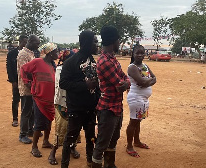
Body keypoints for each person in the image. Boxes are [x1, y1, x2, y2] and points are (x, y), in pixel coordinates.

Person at [92, 26, 131, 168]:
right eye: (118, 40)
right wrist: (125, 83)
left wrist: (125, 82)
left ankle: (110, 165)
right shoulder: (105, 61)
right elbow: (120, 83)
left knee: (113, 140)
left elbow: (124, 79)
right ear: (113, 41)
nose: (119, 42)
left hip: (116, 106)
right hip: (107, 108)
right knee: (102, 143)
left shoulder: (112, 59)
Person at [59, 30, 100, 168]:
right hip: (76, 109)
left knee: (90, 138)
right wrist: (85, 85)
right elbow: (63, 83)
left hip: (90, 108)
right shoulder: (71, 62)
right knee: (70, 139)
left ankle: (90, 161)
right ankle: (64, 165)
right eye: (95, 41)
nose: (97, 44)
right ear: (87, 43)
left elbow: (96, 83)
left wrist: (97, 101)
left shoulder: (93, 60)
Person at [20, 42, 58, 158]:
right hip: (39, 99)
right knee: (39, 123)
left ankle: (45, 141)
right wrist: (27, 82)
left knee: (48, 121)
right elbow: (23, 69)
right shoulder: (37, 62)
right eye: (56, 51)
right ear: (50, 53)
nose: (58, 54)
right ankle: (34, 147)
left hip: (50, 100)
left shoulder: (53, 65)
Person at [48, 49, 81, 165]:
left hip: (73, 103)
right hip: (62, 103)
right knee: (61, 128)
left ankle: (72, 147)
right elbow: (63, 86)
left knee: (74, 127)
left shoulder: (75, 69)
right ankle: (53, 152)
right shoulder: (60, 70)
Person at [126, 45, 156, 158]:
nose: (140, 55)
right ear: (133, 54)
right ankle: (129, 146)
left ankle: (137, 141)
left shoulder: (145, 65)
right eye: (137, 53)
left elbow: (155, 78)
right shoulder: (132, 67)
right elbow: (141, 82)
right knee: (133, 122)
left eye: (142, 53)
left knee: (138, 121)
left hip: (143, 99)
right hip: (135, 98)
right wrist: (148, 81)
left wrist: (146, 81)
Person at [17, 35, 40, 144]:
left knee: (32, 111)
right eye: (36, 43)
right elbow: (25, 72)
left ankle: (30, 130)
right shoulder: (23, 54)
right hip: (26, 88)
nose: (38, 45)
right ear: (30, 42)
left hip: (33, 87)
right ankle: (23, 134)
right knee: (26, 111)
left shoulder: (31, 53)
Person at [6, 35, 28, 127]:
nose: (25, 44)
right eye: (24, 42)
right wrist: (13, 81)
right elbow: (9, 68)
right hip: (16, 81)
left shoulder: (29, 54)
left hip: (26, 82)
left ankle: (25, 119)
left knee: (26, 100)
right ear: (20, 42)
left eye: (26, 43)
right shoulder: (12, 54)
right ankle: (15, 119)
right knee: (15, 100)